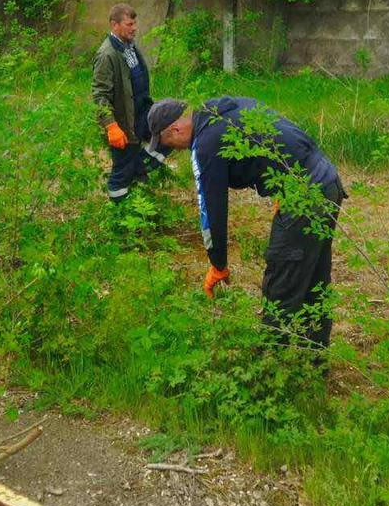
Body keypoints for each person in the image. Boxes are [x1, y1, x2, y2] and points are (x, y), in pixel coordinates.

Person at [146, 96, 345, 348]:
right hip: (326, 180)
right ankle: (313, 363)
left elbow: (211, 208)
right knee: (313, 281)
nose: (175, 150)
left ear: (175, 128)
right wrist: (284, 185)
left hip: (305, 195)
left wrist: (217, 264)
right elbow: (277, 131)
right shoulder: (220, 110)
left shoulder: (205, 144)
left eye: (169, 143)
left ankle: (275, 370)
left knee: (281, 287)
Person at [91, 3, 169, 201]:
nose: (134, 28)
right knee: (122, 174)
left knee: (169, 129)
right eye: (129, 24)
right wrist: (111, 126)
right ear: (114, 25)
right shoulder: (107, 55)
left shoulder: (129, 46)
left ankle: (139, 182)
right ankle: (118, 213)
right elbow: (100, 96)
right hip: (124, 125)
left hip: (142, 114)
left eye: (135, 23)